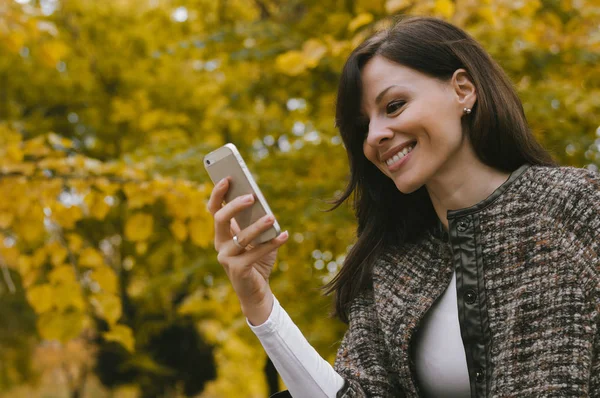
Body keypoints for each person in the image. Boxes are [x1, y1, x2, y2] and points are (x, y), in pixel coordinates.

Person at [207, 16, 600, 397]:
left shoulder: (577, 205)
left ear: (462, 89)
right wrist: (259, 302)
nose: (376, 135)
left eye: (394, 106)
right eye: (363, 127)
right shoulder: (391, 268)